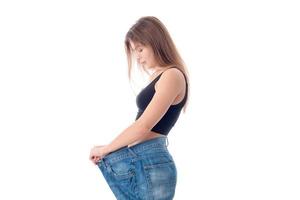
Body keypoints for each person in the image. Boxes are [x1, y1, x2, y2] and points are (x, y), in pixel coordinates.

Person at [89, 16, 190, 200]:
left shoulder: (172, 75)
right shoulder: (158, 76)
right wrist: (109, 148)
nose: (138, 57)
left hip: (151, 163)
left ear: (156, 43)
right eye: (135, 52)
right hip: (142, 161)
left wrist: (106, 149)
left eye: (140, 49)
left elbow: (144, 126)